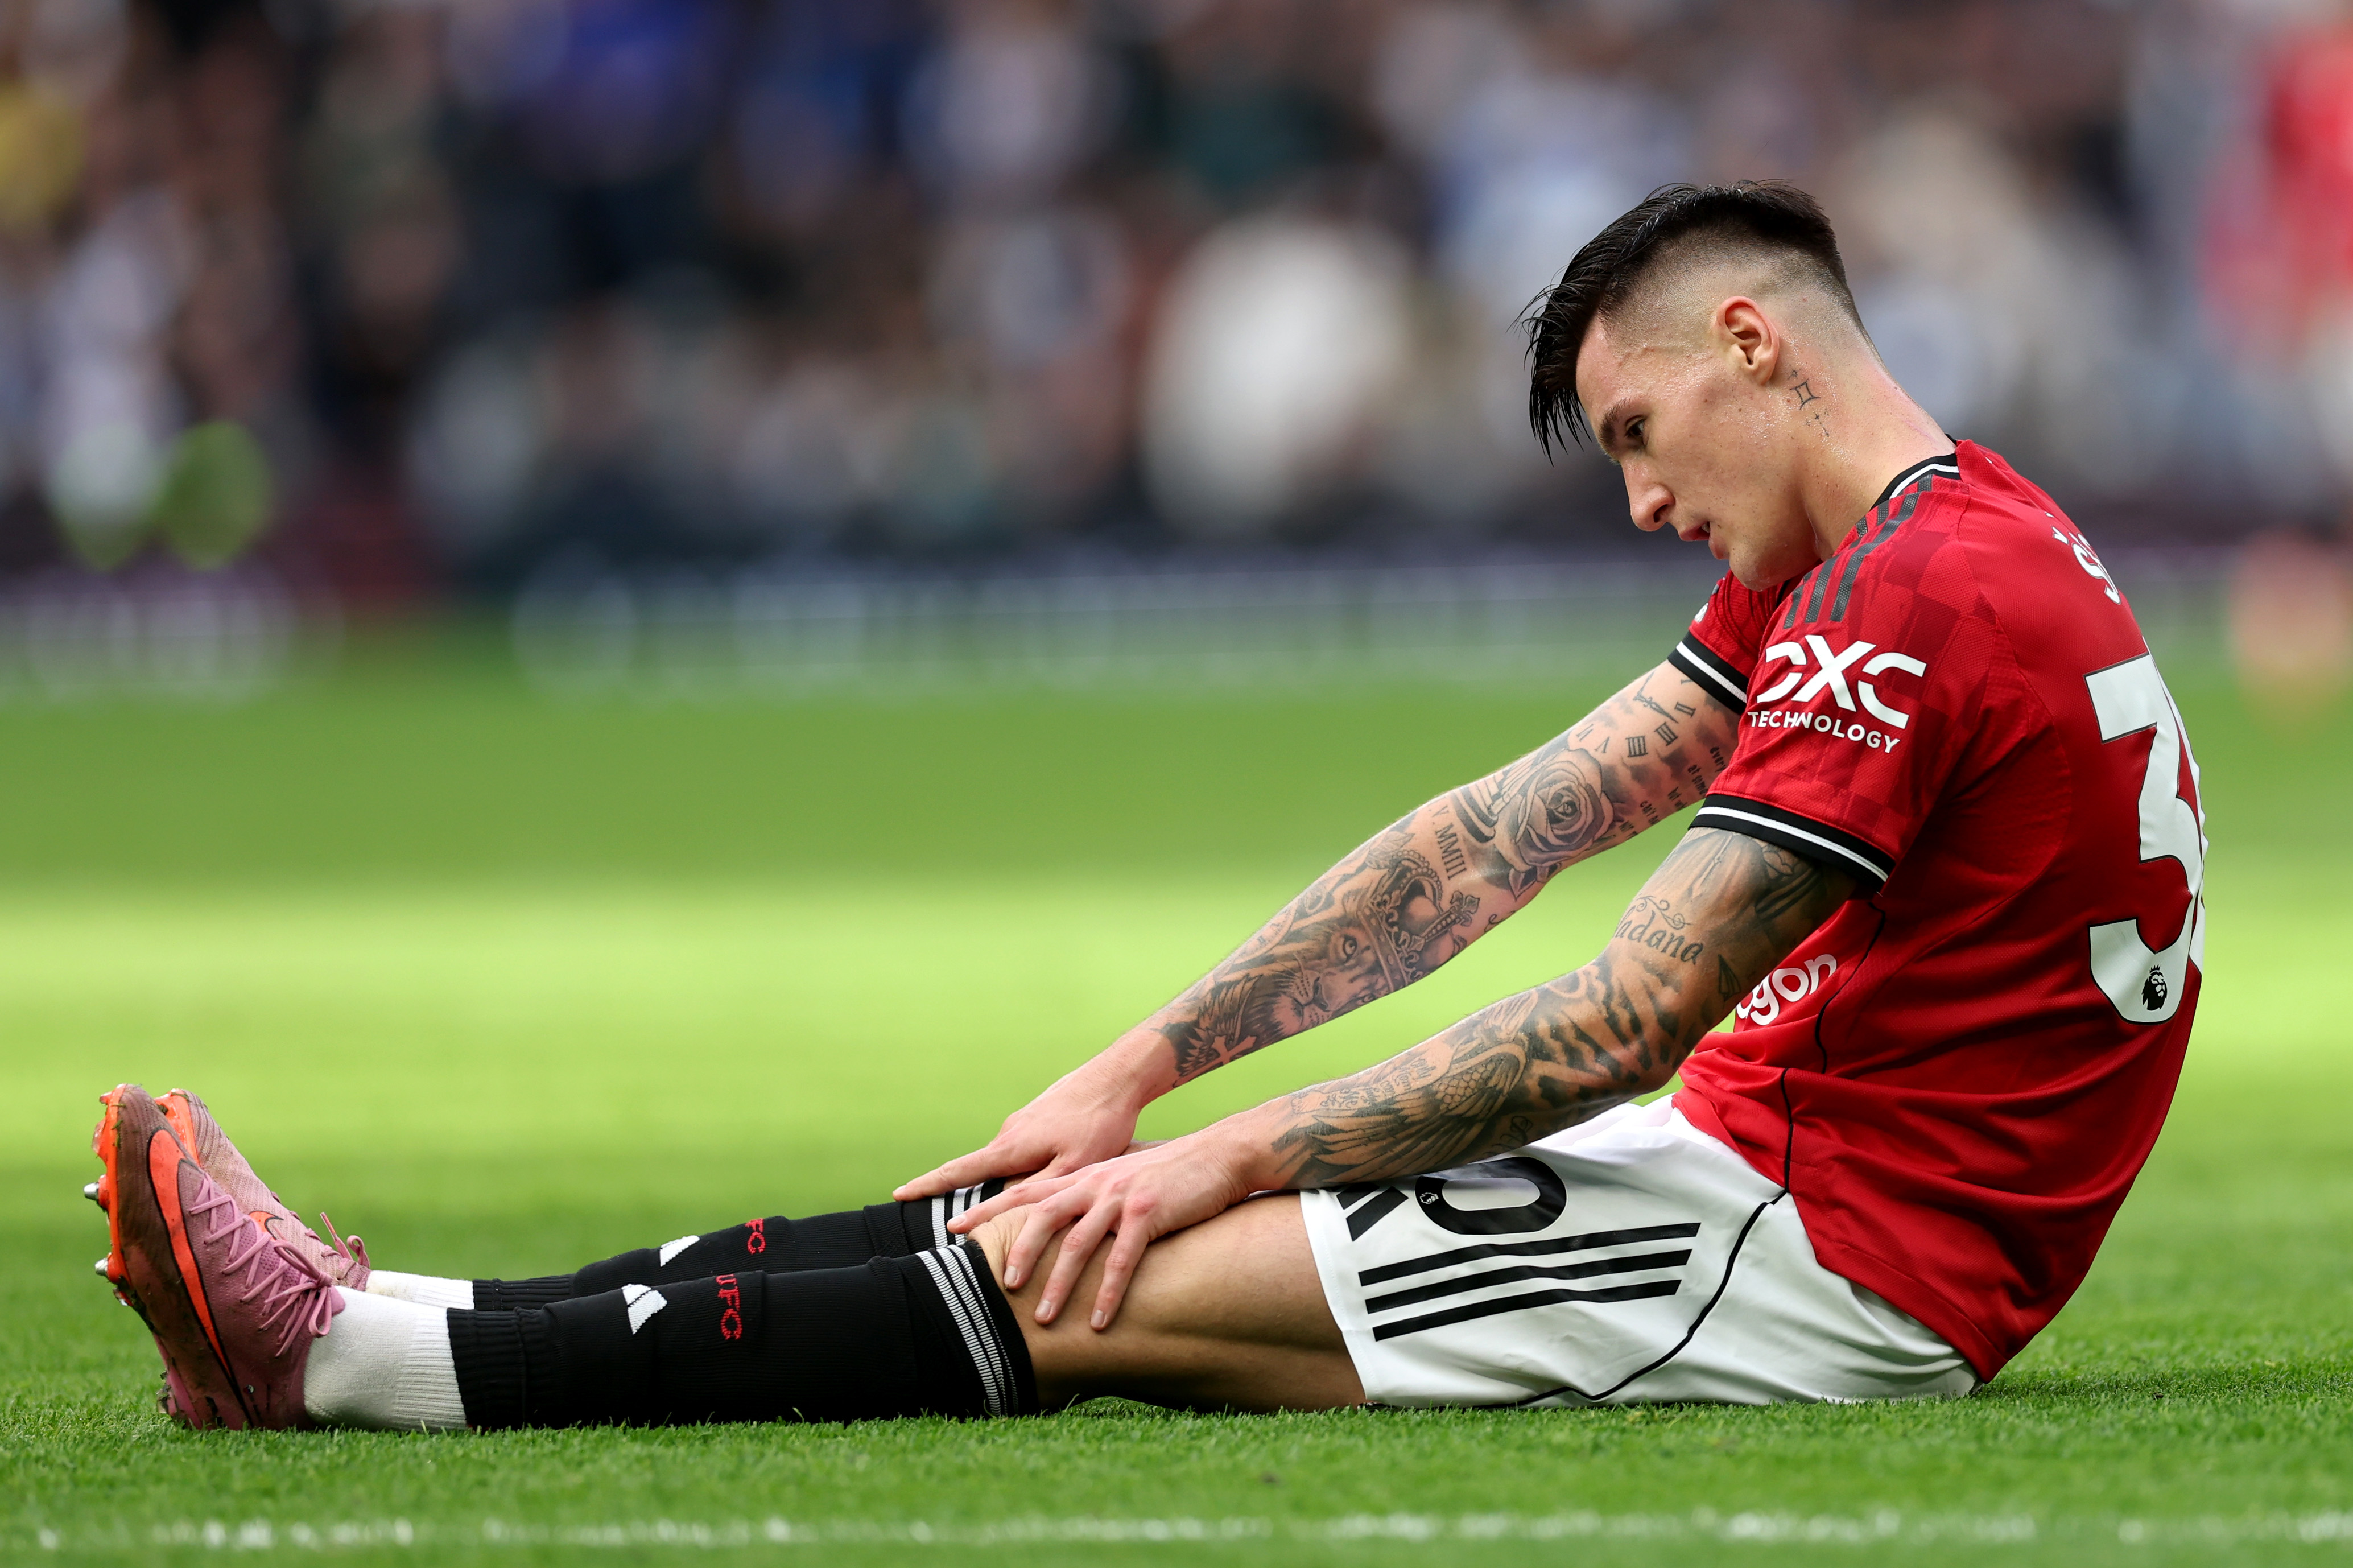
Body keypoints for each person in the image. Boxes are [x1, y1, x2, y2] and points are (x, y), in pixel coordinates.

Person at [88, 182, 2206, 1432]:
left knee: (1075, 1276)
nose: (1647, 500)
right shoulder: (1935, 548)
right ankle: (378, 1323)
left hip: (1819, 1250)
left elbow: (1619, 1013)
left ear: (1754, 342)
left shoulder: (1911, 595)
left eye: (1643, 431)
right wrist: (1137, 1070)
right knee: (1037, 1208)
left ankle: (345, 1364)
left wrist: (1199, 1161)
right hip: (1775, 1163)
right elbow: (1501, 832)